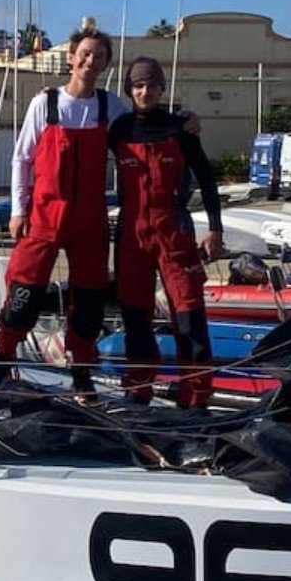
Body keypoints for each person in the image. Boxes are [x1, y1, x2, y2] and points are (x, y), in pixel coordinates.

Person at [0, 18, 199, 395]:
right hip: (46, 215)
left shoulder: (110, 107)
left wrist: (183, 120)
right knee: (24, 292)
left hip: (90, 220)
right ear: (71, 58)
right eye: (85, 54)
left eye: (98, 57)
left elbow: (146, 126)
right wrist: (18, 210)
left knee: (88, 300)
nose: (90, 61)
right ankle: (3, 357)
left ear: (105, 64)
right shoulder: (45, 103)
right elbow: (22, 159)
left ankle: (81, 371)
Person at [110, 56, 225, 407]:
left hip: (173, 231)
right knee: (135, 316)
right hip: (131, 235)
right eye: (138, 85)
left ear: (161, 88)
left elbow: (206, 179)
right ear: (130, 90)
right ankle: (138, 392)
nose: (145, 91)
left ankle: (197, 397)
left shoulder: (180, 129)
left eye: (152, 85)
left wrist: (215, 229)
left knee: (189, 315)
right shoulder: (119, 130)